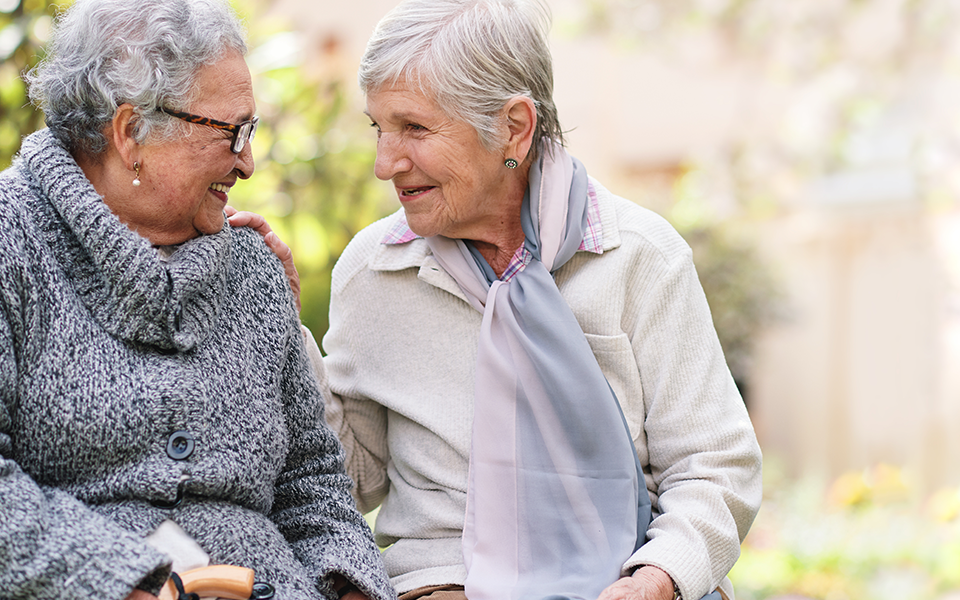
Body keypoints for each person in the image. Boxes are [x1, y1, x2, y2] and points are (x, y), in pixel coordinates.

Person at [295, 0, 765, 599]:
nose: (386, 163)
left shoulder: (639, 256)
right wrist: (284, 330)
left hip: (630, 570)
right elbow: (353, 477)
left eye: (414, 128)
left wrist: (657, 578)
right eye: (378, 128)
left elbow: (714, 465)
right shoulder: (374, 269)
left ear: (514, 126)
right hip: (446, 581)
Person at [0, 1, 394, 599]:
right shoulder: (13, 240)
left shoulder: (251, 267)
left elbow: (314, 486)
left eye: (252, 131)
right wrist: (124, 584)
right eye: (230, 132)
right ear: (131, 132)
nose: (248, 162)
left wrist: (351, 587)